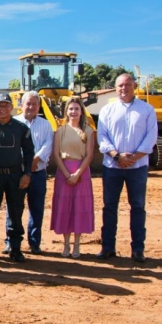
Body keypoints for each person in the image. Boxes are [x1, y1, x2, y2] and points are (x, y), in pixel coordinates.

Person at [97, 73, 158, 263]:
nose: (124, 88)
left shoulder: (147, 110)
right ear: (115, 88)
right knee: (109, 208)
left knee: (138, 207)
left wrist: (133, 157)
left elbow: (151, 137)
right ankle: (108, 248)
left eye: (127, 85)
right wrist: (116, 156)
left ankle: (138, 249)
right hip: (112, 166)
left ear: (134, 86)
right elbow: (102, 136)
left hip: (137, 167)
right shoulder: (107, 110)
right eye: (120, 85)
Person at [0, 94, 35, 263]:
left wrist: (27, 174)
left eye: (6, 105)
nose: (3, 109)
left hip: (15, 176)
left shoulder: (20, 128)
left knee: (15, 212)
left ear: (12, 108)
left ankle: (15, 248)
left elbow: (28, 153)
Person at [4, 91, 53, 255]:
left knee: (37, 209)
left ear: (39, 106)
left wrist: (34, 160)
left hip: (38, 172)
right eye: (28, 103)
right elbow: (11, 147)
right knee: (14, 208)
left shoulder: (46, 125)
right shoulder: (14, 123)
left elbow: (48, 145)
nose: (31, 107)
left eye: (34, 104)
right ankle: (10, 242)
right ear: (21, 105)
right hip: (17, 173)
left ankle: (34, 242)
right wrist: (24, 164)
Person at [50, 97, 95, 258]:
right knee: (65, 208)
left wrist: (77, 174)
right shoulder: (60, 131)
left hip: (82, 173)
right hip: (63, 172)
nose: (73, 112)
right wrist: (67, 174)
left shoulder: (88, 131)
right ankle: (66, 244)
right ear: (66, 111)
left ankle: (77, 244)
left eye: (76, 109)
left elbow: (89, 156)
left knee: (79, 208)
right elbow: (56, 154)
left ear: (81, 111)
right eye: (71, 109)